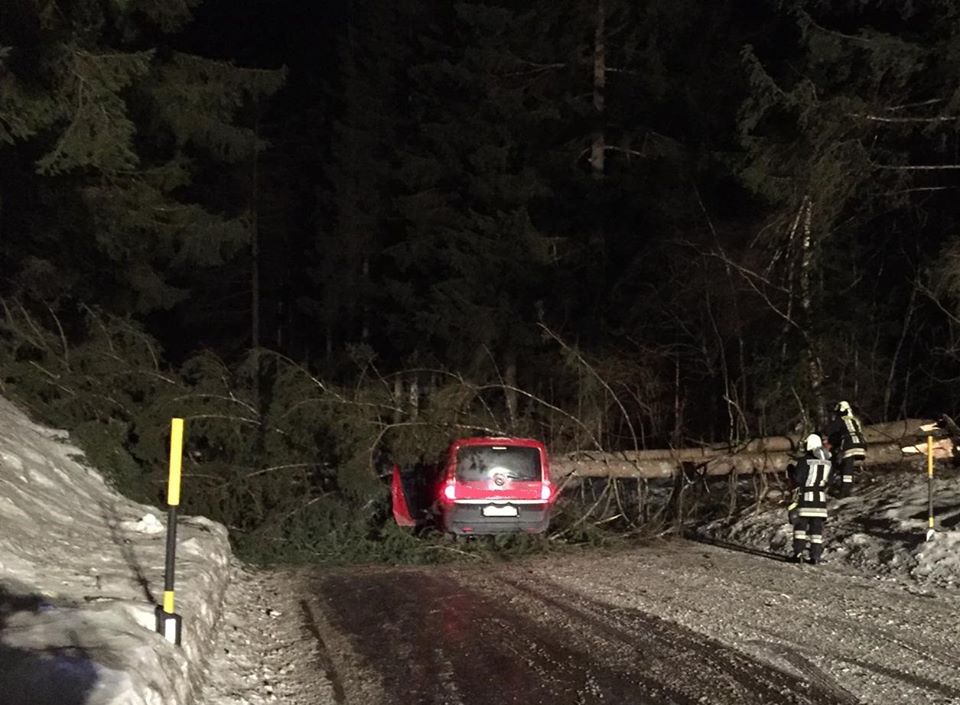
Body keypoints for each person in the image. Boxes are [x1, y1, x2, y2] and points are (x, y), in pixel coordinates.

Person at [788, 433, 832, 564]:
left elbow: (798, 479)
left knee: (800, 527)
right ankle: (816, 556)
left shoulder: (803, 461)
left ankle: (798, 554)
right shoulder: (828, 463)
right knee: (816, 530)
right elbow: (829, 481)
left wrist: (791, 471)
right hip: (820, 499)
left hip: (806, 498)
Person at [825, 400, 866, 497]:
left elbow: (828, 431)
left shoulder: (841, 420)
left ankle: (844, 492)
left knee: (847, 468)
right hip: (861, 444)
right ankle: (846, 486)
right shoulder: (855, 420)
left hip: (849, 445)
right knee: (847, 465)